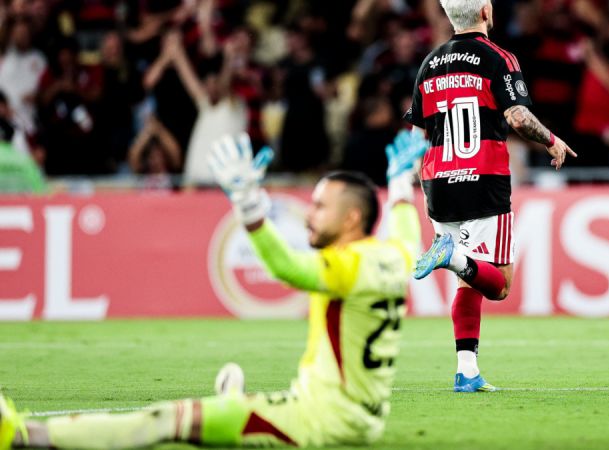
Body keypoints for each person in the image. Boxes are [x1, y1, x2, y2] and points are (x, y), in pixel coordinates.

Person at [0, 130, 427, 449]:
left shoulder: (345, 265)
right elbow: (407, 231)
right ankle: (235, 404)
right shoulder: (392, 256)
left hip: (320, 421)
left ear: (351, 218)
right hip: (362, 419)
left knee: (163, 420)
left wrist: (249, 206)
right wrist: (401, 183)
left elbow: (287, 268)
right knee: (237, 409)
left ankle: (25, 435)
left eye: (319, 207)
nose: (309, 215)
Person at [404, 0, 577, 392]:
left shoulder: (430, 63)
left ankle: (466, 371)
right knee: (497, 283)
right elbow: (516, 117)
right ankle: (451, 255)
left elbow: (415, 137)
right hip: (483, 177)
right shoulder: (498, 57)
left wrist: (424, 180)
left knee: (468, 281)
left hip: (437, 180)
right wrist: (551, 140)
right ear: (485, 11)